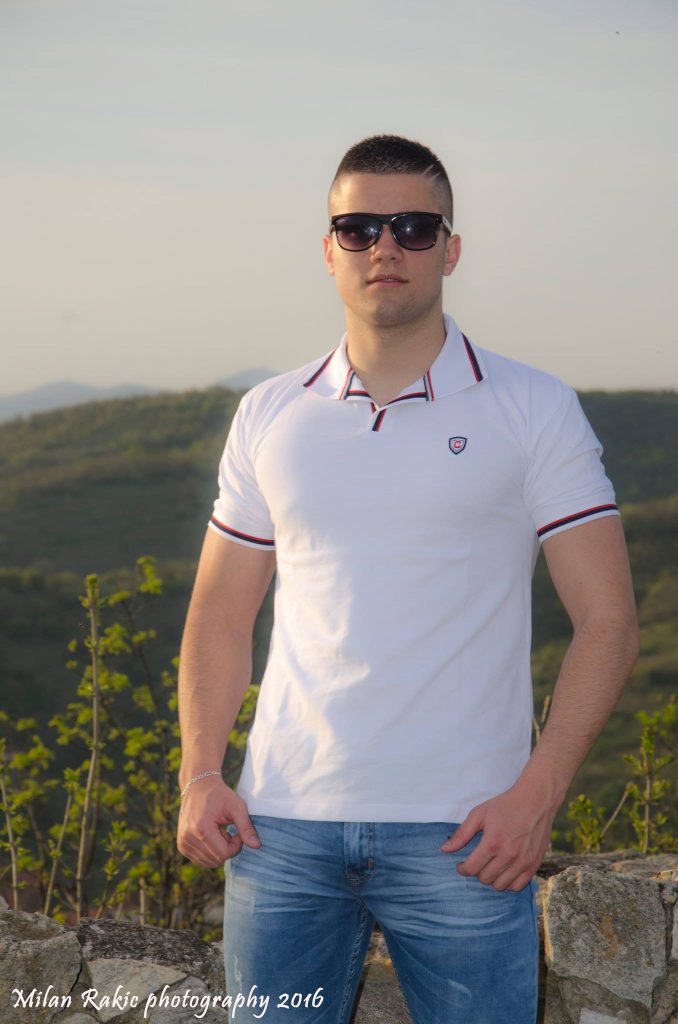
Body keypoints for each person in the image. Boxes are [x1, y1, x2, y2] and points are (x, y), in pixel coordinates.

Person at [176, 134, 639, 1024]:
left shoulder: (534, 408)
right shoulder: (270, 413)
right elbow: (220, 615)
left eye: (414, 227)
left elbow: (609, 621)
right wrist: (200, 773)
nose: (385, 246)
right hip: (279, 829)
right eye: (359, 228)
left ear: (450, 249)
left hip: (466, 835)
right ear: (329, 250)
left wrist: (538, 794)